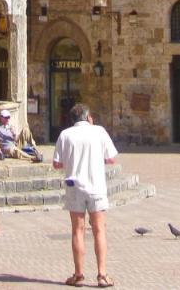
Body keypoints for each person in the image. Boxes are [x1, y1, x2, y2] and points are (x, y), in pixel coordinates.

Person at [53, 103, 118, 289]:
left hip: (75, 187)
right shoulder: (99, 132)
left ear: (72, 119)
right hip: (96, 185)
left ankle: (79, 274)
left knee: (77, 230)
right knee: (99, 229)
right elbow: (112, 158)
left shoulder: (65, 135)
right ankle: (102, 274)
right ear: (88, 117)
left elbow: (57, 164)